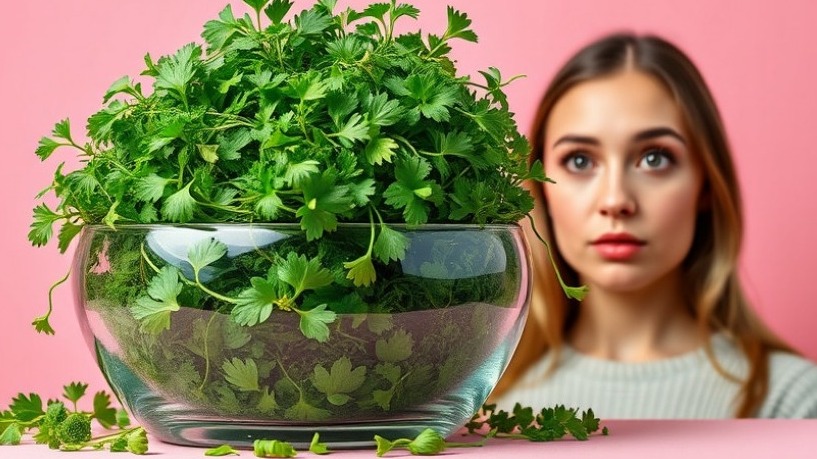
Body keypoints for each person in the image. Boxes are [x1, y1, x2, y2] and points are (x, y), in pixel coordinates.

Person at [490, 33, 817, 418]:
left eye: (655, 158)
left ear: (706, 185)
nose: (615, 201)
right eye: (579, 161)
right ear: (539, 190)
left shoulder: (791, 402)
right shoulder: (476, 403)